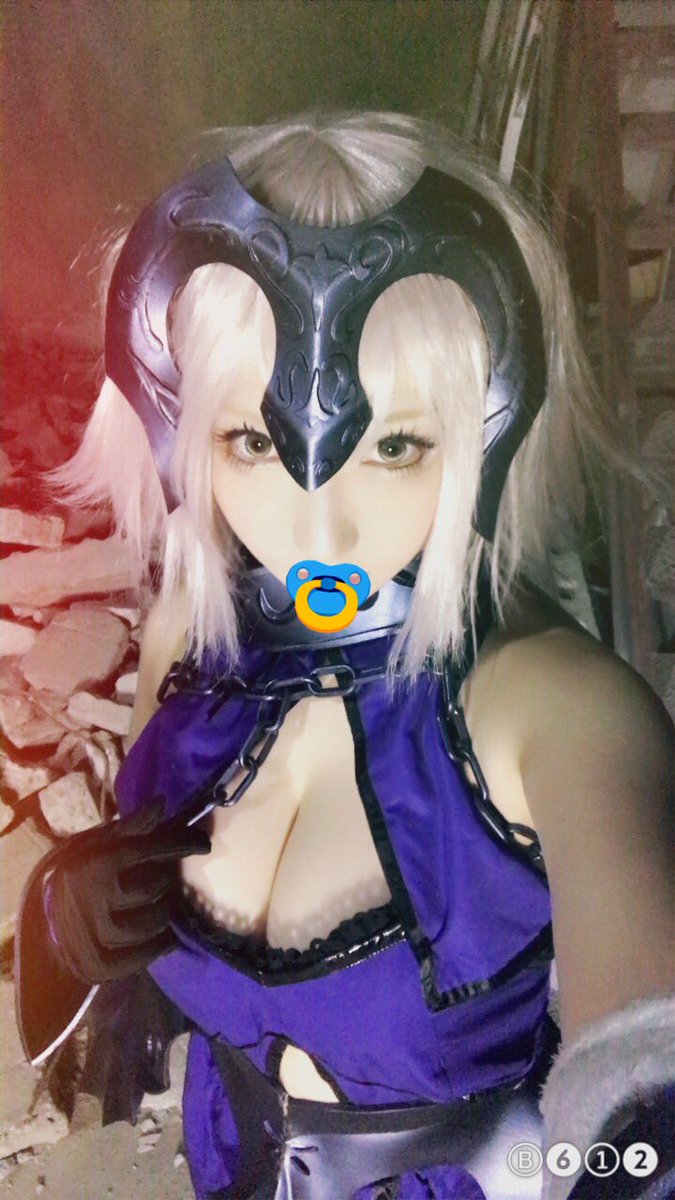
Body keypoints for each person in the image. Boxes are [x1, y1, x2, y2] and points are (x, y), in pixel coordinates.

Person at [16, 113, 673, 1200]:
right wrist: (68, 905)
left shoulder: (553, 712)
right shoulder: (190, 636)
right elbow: (128, 915)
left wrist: (632, 1151)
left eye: (396, 444)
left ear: (490, 432)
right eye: (253, 441)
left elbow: (642, 1068)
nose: (320, 530)